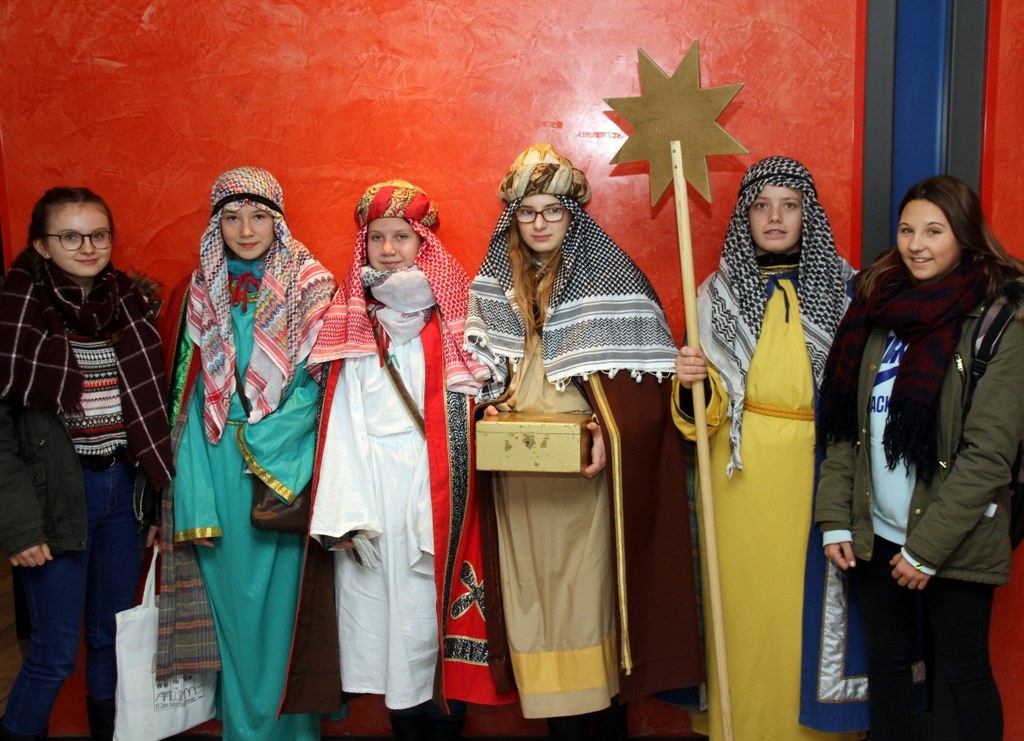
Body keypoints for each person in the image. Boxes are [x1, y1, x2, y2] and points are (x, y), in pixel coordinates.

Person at [465, 144, 703, 739]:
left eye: (553, 210)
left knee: (589, 602)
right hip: (518, 480)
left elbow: (644, 393)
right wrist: (487, 408)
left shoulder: (611, 278)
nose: (540, 223)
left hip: (585, 481)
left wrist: (608, 430)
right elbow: (474, 376)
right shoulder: (492, 287)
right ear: (513, 218)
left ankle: (602, 724)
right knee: (532, 602)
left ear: (572, 214)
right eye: (528, 212)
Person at [815, 174, 1024, 741]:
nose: (916, 245)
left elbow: (989, 456)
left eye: (934, 231)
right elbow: (846, 428)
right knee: (886, 666)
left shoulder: (999, 319)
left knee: (963, 672)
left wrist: (925, 551)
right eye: (907, 230)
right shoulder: (877, 306)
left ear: (965, 236)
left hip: (954, 536)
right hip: (878, 531)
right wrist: (836, 517)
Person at [306, 179, 511, 739]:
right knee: (386, 624)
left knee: (434, 617)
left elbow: (482, 401)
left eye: (401, 236)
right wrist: (348, 515)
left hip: (440, 485)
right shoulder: (353, 321)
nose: (389, 248)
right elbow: (342, 419)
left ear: (423, 243)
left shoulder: (456, 318)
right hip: (372, 488)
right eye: (377, 238)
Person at [673, 156, 864, 740]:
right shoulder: (715, 294)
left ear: (808, 214)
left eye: (789, 205)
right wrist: (690, 383)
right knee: (744, 609)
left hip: (816, 469)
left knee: (803, 609)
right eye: (761, 205)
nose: (775, 217)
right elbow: (704, 415)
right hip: (739, 475)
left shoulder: (847, 291)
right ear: (746, 217)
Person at [155, 167, 336, 740]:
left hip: (286, 470)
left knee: (287, 616)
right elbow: (185, 404)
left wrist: (264, 441)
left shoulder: (312, 287)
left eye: (259, 216)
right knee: (235, 619)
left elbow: (321, 387)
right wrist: (195, 499)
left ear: (278, 220)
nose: (246, 230)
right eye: (231, 218)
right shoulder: (196, 292)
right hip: (218, 470)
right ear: (217, 226)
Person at [0, 187, 174, 741]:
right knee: (54, 652)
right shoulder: (16, 315)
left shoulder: (131, 306)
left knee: (111, 638)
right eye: (70, 236)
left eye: (98, 234)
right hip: (55, 499)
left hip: (122, 491)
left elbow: (151, 416)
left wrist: (155, 503)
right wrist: (20, 528)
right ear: (41, 244)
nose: (87, 247)